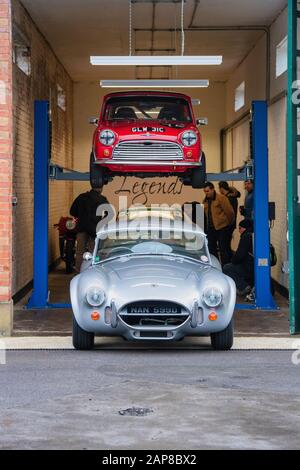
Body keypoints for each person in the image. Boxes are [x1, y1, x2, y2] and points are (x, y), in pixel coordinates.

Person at [70, 187, 109, 272]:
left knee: (80, 251)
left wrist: (80, 215)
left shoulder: (81, 197)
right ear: (101, 189)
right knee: (94, 251)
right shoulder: (102, 199)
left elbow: (72, 211)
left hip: (81, 228)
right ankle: (93, 270)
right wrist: (102, 221)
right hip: (94, 229)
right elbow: (109, 213)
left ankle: (79, 271)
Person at [202, 182, 235, 266]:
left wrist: (229, 224)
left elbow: (230, 212)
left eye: (208, 191)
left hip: (222, 228)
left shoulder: (221, 198)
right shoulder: (205, 201)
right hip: (211, 228)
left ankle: (226, 267)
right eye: (205, 191)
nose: (206, 193)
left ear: (213, 189)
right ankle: (216, 266)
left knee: (223, 248)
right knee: (211, 248)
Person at [223, 219, 254, 296]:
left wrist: (232, 261)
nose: (238, 230)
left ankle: (244, 286)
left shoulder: (246, 237)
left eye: (240, 228)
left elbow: (239, 256)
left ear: (244, 228)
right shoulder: (254, 235)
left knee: (226, 268)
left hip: (248, 267)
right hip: (253, 266)